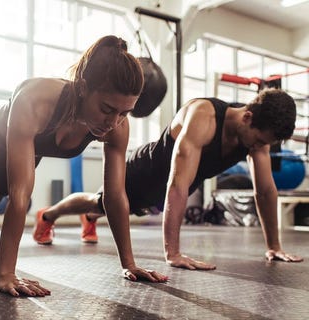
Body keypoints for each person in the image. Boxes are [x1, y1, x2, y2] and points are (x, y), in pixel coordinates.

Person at [0, 35, 169, 297]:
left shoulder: (117, 126)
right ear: (84, 87)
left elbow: (114, 195)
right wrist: (6, 274)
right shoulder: (36, 99)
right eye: (106, 108)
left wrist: (129, 264)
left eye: (124, 112)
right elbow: (21, 196)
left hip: (27, 145)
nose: (114, 121)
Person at [33, 88, 303, 277]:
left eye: (264, 144)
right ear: (247, 117)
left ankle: (88, 217)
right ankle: (49, 215)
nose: (259, 148)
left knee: (114, 209)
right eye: (258, 140)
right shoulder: (204, 117)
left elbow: (266, 191)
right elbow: (177, 184)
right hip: (147, 171)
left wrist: (274, 247)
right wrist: (172, 253)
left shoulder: (256, 136)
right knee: (102, 203)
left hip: (172, 188)